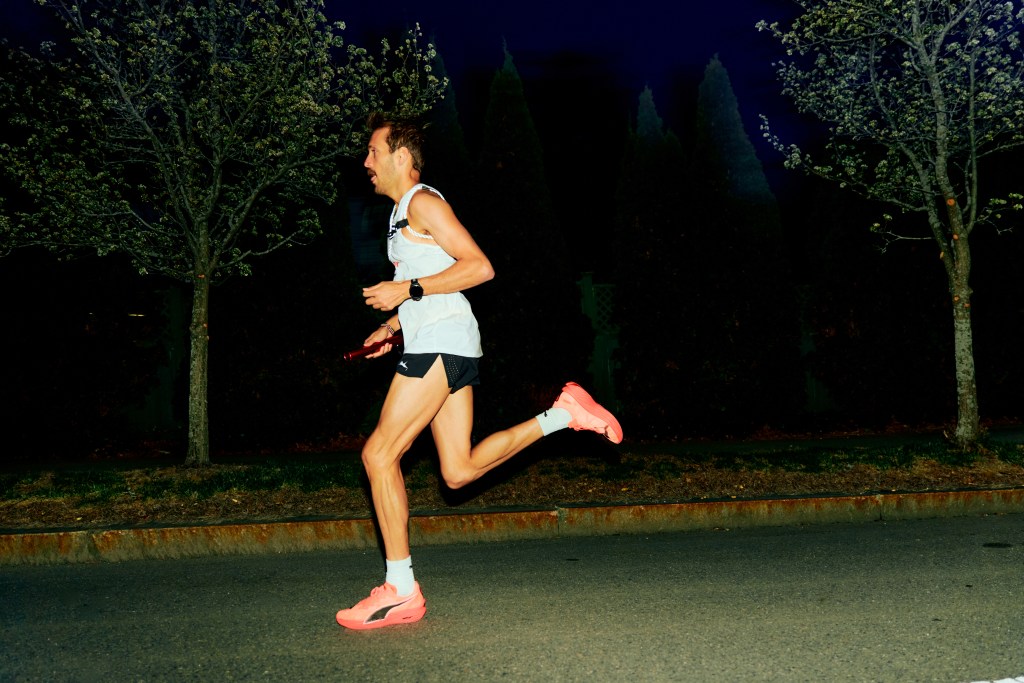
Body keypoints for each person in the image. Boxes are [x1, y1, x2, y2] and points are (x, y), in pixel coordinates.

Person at [335, 113, 622, 630]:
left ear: (401, 156)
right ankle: (564, 414)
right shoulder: (401, 214)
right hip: (444, 342)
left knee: (378, 454)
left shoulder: (422, 202)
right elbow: (430, 282)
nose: (366, 162)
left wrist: (405, 291)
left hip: (441, 345)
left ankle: (400, 589)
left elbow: (478, 267)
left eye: (374, 151)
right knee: (458, 470)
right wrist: (393, 327)